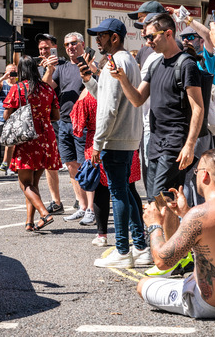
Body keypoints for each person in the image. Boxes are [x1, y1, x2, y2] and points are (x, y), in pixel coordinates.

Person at [138, 149, 215, 319]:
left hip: (212, 305)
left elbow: (162, 261)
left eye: (196, 171)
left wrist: (154, 225)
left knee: (143, 284)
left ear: (205, 175)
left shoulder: (200, 215)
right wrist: (185, 213)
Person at [77, 18, 149, 268]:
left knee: (119, 193)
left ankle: (122, 250)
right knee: (127, 191)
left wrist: (97, 143)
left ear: (115, 37)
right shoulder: (127, 60)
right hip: (128, 137)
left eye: (102, 35)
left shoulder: (115, 62)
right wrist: (89, 80)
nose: (97, 39)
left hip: (115, 140)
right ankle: (140, 246)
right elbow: (109, 98)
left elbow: (107, 109)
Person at [112, 13, 204, 202]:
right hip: (155, 142)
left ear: (168, 33)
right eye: (146, 38)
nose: (148, 42)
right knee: (157, 199)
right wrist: (122, 79)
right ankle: (166, 232)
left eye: (151, 36)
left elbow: (198, 108)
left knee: (161, 197)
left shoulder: (186, 64)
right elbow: (137, 99)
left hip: (174, 144)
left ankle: (164, 232)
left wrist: (189, 145)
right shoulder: (155, 64)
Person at [71, 89, 143, 247]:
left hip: (97, 144)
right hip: (126, 142)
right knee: (129, 188)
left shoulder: (88, 95)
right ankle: (139, 233)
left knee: (101, 190)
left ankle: (102, 235)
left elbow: (77, 122)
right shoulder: (126, 91)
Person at [1, 55, 61, 231]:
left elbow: (6, 115)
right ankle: (29, 222)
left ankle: (44, 213)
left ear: (21, 70)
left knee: (25, 183)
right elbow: (56, 116)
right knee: (33, 183)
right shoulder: (48, 89)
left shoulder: (18, 89)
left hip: (27, 139)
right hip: (46, 138)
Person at [44, 32, 93, 223]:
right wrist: (49, 68)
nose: (70, 47)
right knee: (71, 164)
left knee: (85, 165)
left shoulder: (86, 64)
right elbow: (47, 86)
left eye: (73, 43)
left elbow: (95, 85)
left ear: (82, 44)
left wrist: (90, 67)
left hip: (83, 122)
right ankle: (81, 206)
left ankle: (91, 208)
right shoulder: (62, 67)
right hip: (63, 122)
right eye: (67, 45)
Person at [35, 33, 64, 215]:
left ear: (54, 47)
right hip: (47, 119)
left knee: (71, 162)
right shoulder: (39, 68)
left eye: (46, 48)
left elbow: (47, 86)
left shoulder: (62, 65)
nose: (43, 51)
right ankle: (56, 201)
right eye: (41, 49)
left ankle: (83, 201)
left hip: (63, 117)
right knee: (50, 163)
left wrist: (50, 68)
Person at [0, 63, 17, 177]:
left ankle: (7, 165)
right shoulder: (3, 83)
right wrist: (4, 77)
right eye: (9, 71)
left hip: (13, 117)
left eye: (14, 71)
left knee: (10, 142)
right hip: (0, 115)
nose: (11, 74)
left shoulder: (17, 85)